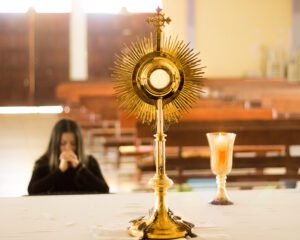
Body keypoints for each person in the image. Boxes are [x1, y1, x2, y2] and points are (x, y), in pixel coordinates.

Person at [28, 118, 109, 195]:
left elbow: (104, 189)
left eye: (73, 144)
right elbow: (32, 190)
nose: (68, 148)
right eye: (63, 144)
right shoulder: (43, 162)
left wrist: (79, 168)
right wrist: (60, 171)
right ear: (55, 144)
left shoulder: (90, 162)